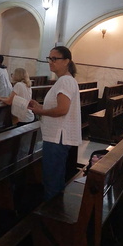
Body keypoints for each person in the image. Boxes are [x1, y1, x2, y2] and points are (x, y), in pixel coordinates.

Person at [29, 46, 82, 200]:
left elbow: (62, 110)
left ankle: (51, 211)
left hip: (57, 138)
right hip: (57, 137)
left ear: (66, 61)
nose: (50, 62)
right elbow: (58, 108)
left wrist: (40, 112)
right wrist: (40, 107)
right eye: (49, 58)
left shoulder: (65, 81)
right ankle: (55, 208)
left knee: (51, 180)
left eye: (55, 59)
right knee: (55, 178)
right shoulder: (65, 80)